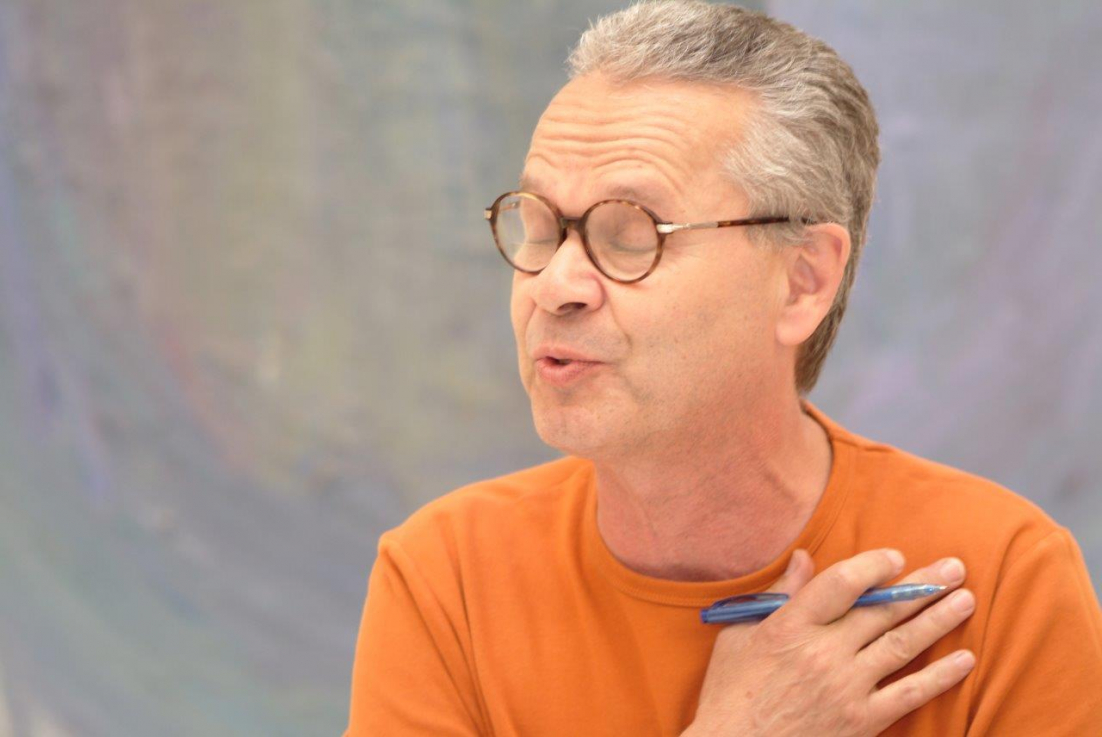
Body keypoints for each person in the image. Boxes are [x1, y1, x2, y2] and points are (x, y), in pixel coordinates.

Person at [344, 2, 1102, 734]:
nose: (554, 285)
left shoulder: (1001, 579)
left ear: (802, 281)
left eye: (631, 233)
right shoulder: (445, 576)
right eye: (541, 226)